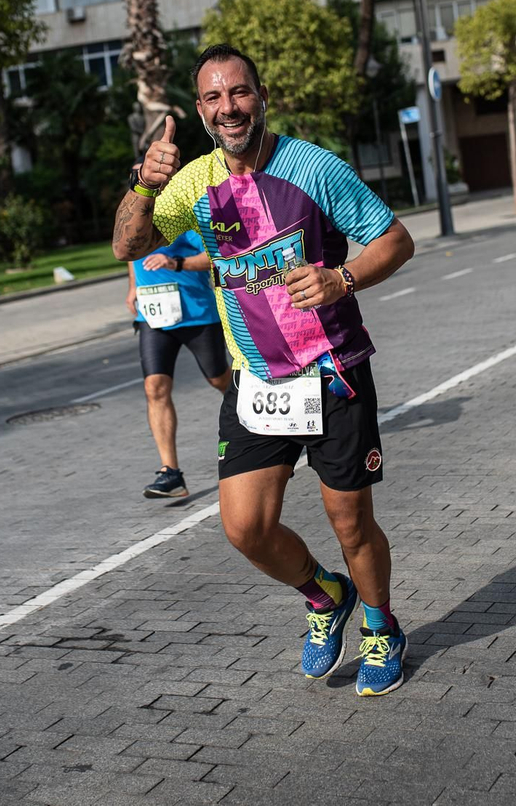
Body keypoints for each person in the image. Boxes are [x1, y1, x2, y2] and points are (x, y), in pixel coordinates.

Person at [112, 43, 416, 697]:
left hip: (331, 370)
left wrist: (342, 278)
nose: (230, 107)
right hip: (259, 379)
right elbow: (128, 245)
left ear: (262, 95)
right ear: (200, 110)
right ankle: (323, 594)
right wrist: (143, 182)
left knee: (350, 520)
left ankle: (382, 627)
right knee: (245, 527)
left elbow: (396, 239)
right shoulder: (193, 183)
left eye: (240, 92)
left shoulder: (313, 168)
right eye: (215, 97)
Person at [126, 230, 232, 498]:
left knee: (219, 379)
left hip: (197, 314)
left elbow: (214, 255)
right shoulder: (136, 214)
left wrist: (174, 262)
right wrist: (132, 286)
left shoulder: (180, 214)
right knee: (155, 387)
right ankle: (170, 473)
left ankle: (262, 422)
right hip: (152, 317)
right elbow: (129, 251)